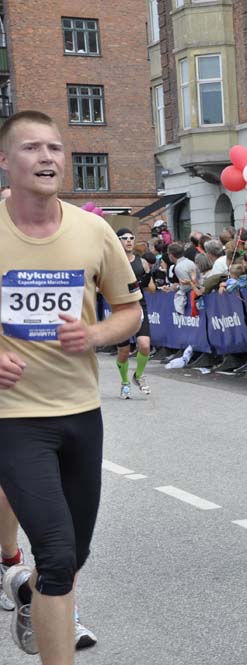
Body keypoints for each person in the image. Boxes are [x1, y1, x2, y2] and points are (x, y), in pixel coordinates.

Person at [0, 110, 142, 663]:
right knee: (57, 555)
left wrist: (95, 334)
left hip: (81, 413)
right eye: (32, 147)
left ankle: (35, 601)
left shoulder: (93, 230)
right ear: (5, 162)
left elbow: (130, 311)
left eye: (55, 148)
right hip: (13, 417)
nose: (47, 157)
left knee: (72, 557)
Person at [114, 228, 155, 399]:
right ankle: (125, 382)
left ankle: (138, 375)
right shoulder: (112, 262)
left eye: (132, 238)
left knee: (144, 345)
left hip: (139, 307)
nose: (129, 241)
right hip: (121, 309)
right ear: (118, 241)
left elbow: (151, 288)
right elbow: (101, 285)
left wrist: (144, 280)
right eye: (125, 238)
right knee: (123, 351)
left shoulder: (142, 263)